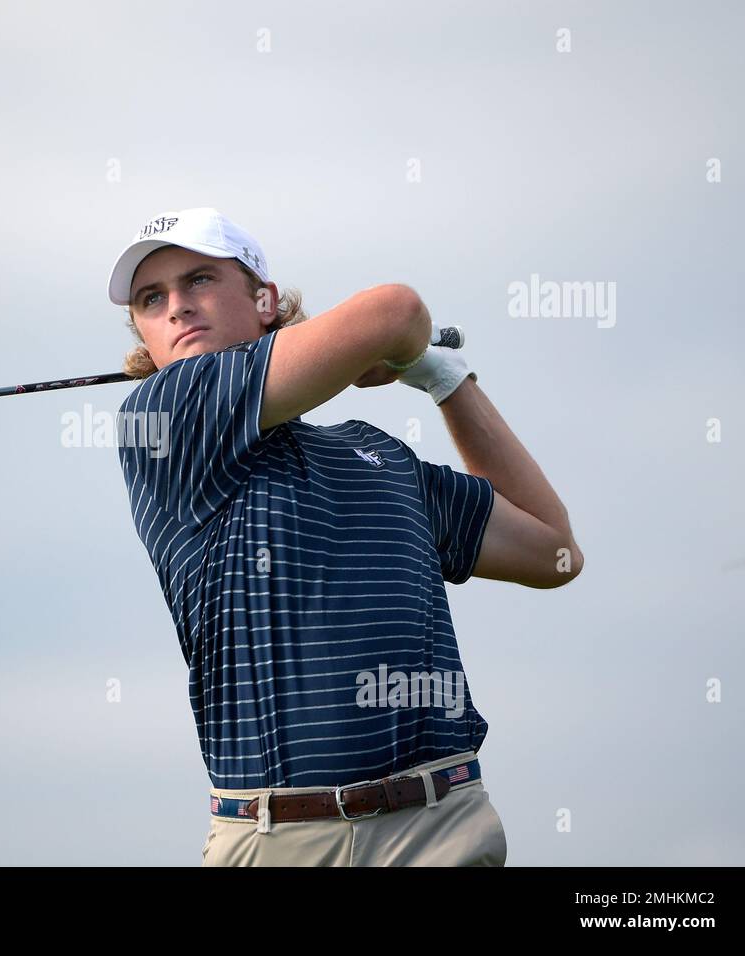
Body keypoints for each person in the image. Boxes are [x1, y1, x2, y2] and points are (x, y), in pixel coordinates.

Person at [107, 207, 584, 866]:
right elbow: (394, 309)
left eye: (200, 280)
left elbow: (552, 549)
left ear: (265, 301)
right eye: (150, 299)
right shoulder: (164, 416)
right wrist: (390, 343)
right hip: (277, 840)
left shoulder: (375, 454)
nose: (178, 307)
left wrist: (444, 379)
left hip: (438, 828)